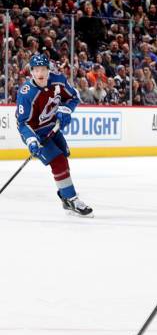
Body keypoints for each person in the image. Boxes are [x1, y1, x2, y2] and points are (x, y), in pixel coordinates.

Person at [15, 54, 93, 217]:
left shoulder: (58, 80)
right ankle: (72, 199)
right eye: (36, 70)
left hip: (52, 127)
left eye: (43, 69)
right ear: (31, 72)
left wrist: (66, 109)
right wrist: (31, 141)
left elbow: (73, 97)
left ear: (48, 70)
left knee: (64, 156)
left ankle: (65, 197)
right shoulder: (26, 93)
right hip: (35, 132)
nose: (40, 73)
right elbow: (23, 123)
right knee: (58, 161)